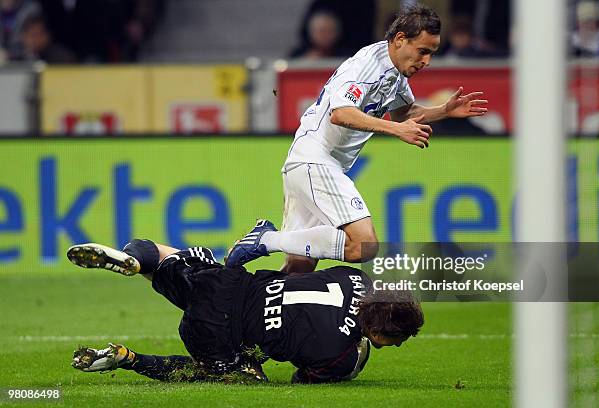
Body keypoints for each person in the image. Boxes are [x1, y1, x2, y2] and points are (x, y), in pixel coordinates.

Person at [225, 5, 488, 274]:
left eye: (432, 53)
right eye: (423, 51)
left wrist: (444, 111)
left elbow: (403, 114)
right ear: (400, 40)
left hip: (307, 163)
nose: (427, 61)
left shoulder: (394, 71)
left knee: (298, 269)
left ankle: (250, 311)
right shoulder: (366, 67)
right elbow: (340, 114)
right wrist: (396, 130)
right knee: (364, 245)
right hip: (317, 161)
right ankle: (267, 239)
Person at [67, 241, 424, 384]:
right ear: (382, 330)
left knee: (162, 256)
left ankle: (134, 260)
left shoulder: (355, 277)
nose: (399, 345)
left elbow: (299, 273)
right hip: (221, 335)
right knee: (222, 373)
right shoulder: (343, 358)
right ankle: (128, 358)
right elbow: (301, 379)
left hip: (230, 284)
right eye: (399, 338)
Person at [11, 13, 75, 63]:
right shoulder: (15, 58)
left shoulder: (63, 58)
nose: (36, 40)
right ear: (23, 36)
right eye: (32, 35)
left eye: (39, 35)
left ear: (47, 36)